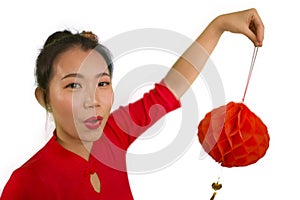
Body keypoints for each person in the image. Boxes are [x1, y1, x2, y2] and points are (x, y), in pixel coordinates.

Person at [0, 8, 264, 200]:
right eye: (73, 85)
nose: (93, 101)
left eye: (102, 83)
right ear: (43, 98)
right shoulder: (27, 184)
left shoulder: (112, 135)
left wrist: (219, 25)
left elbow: (170, 89)